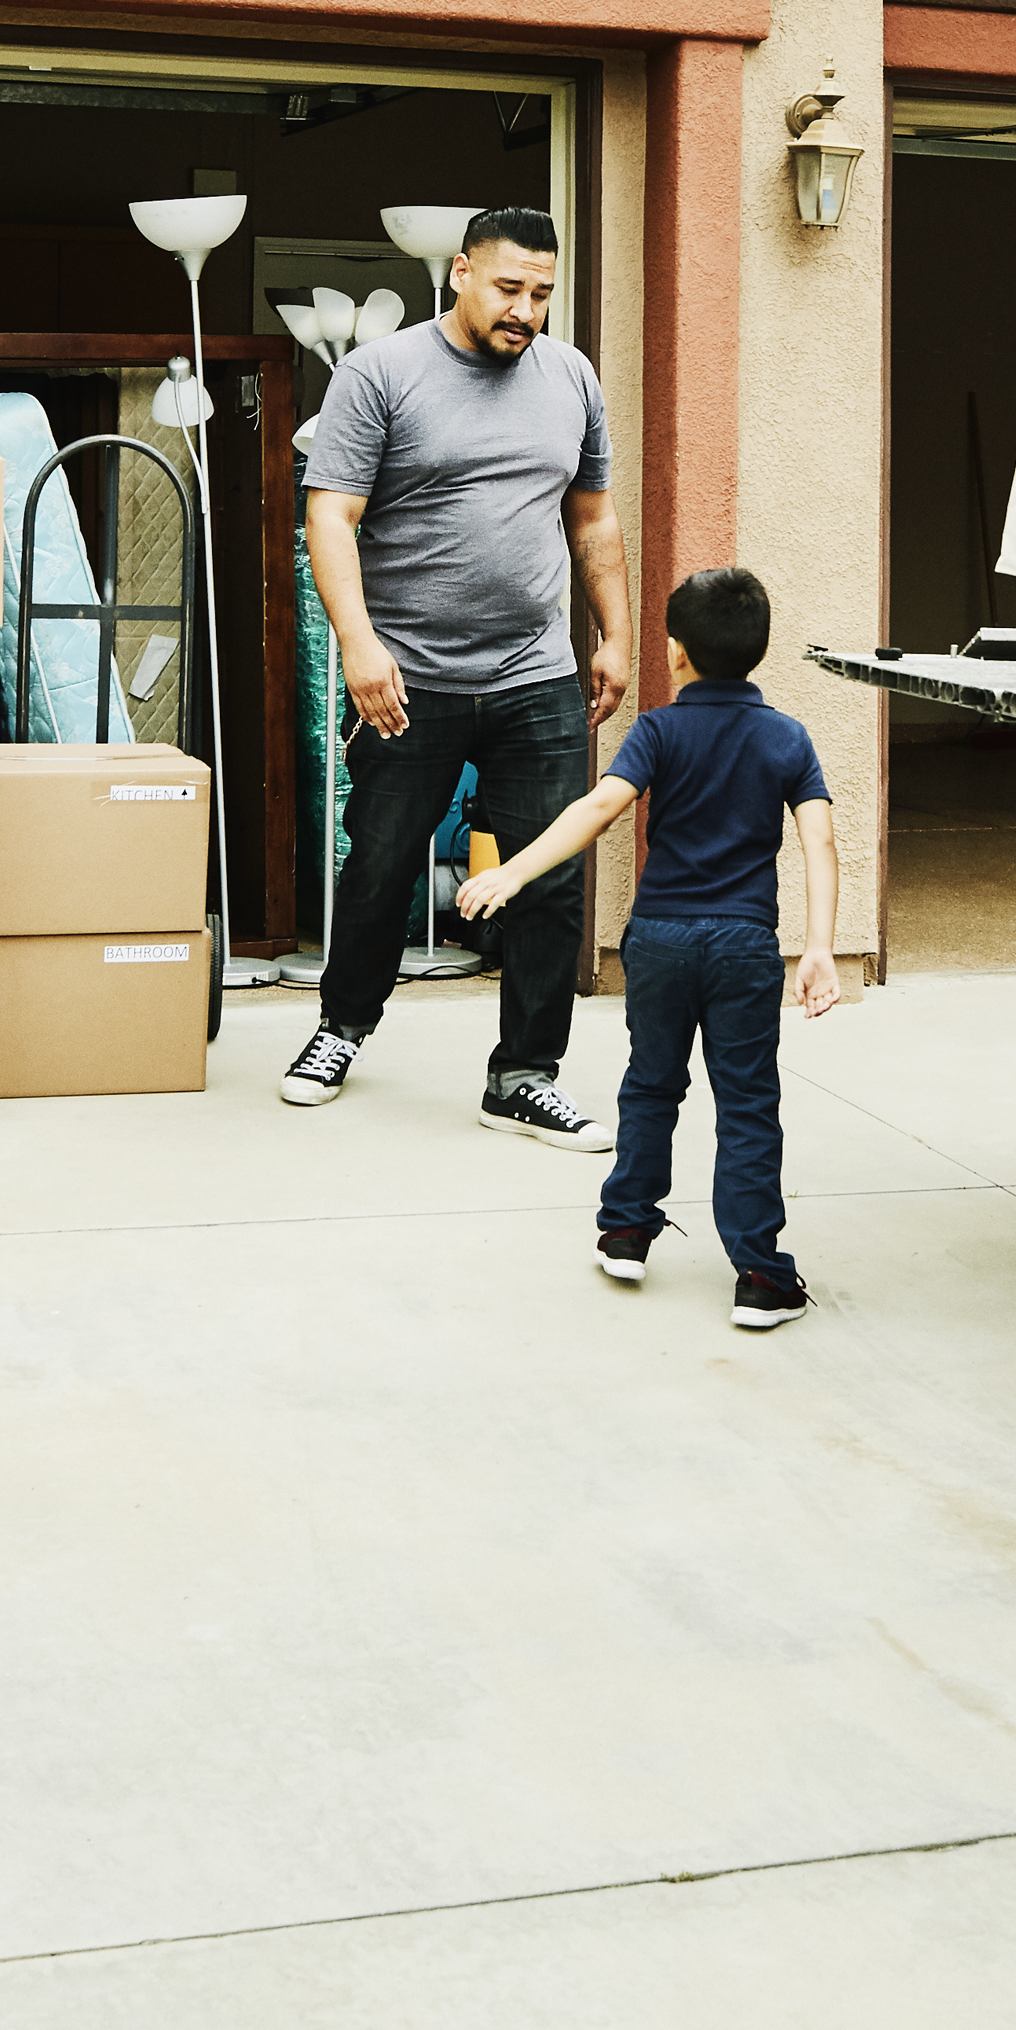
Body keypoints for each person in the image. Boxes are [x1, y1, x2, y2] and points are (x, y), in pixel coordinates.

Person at [279, 204, 633, 1148]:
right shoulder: (379, 374)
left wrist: (614, 634)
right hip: (409, 679)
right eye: (509, 288)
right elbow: (330, 516)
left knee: (548, 878)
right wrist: (359, 645)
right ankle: (341, 1026)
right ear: (461, 274)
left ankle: (523, 1076)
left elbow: (592, 516)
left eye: (542, 294)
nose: (526, 310)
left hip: (535, 674)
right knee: (381, 867)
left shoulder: (571, 377)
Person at [455, 565, 841, 1330]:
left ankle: (626, 1232)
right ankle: (759, 1277)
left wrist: (513, 870)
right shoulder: (786, 738)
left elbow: (598, 807)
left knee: (650, 1088)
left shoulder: (658, 731)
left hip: (659, 939)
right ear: (758, 649)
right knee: (748, 1104)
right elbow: (819, 841)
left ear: (675, 652)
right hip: (742, 944)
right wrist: (819, 947)